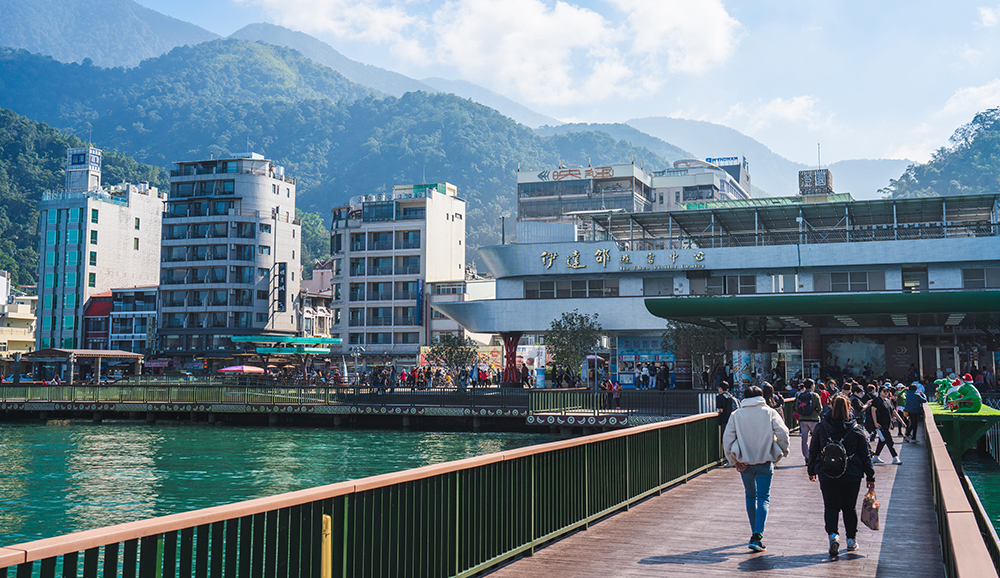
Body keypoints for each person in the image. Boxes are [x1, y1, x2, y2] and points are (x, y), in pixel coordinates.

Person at [723, 386, 791, 553]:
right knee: (763, 498)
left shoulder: (736, 415)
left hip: (744, 462)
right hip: (765, 461)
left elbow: (727, 440)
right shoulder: (769, 412)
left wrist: (733, 460)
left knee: (750, 496)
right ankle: (757, 535)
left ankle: (754, 533)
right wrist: (783, 451)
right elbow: (783, 433)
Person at [809, 394, 875, 556]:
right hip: (851, 473)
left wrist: (811, 470)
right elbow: (865, 455)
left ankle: (833, 536)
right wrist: (870, 476)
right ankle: (851, 540)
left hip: (827, 473)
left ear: (831, 406)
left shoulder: (822, 426)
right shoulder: (856, 428)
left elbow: (813, 450)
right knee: (849, 507)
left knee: (831, 506)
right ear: (848, 408)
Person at [870, 387, 903, 465]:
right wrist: (875, 423)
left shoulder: (888, 401)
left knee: (883, 440)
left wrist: (901, 421)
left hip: (887, 424)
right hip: (881, 425)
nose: (886, 393)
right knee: (889, 441)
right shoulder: (877, 400)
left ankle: (875, 457)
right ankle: (895, 457)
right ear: (880, 392)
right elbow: (873, 411)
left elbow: (893, 411)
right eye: (884, 391)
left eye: (887, 391)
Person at [796, 379, 822, 465]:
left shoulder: (800, 395)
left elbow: (796, 407)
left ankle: (807, 457)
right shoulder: (815, 395)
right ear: (811, 386)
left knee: (804, 439)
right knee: (816, 439)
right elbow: (820, 408)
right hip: (814, 419)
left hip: (803, 420)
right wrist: (816, 413)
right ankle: (815, 456)